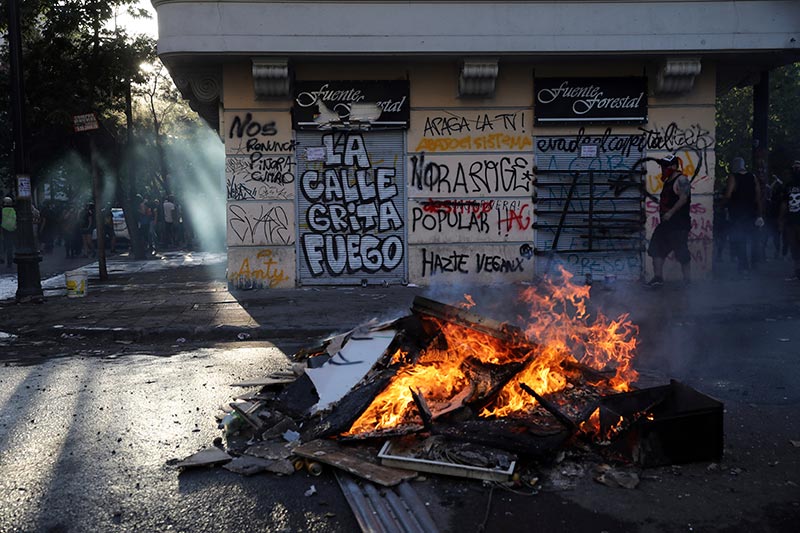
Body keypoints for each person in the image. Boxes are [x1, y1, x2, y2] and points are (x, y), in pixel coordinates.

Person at [646, 154, 691, 287]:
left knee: (681, 252)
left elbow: (683, 198)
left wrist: (670, 212)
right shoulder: (668, 181)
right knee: (655, 248)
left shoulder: (681, 179)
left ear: (674, 166)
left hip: (679, 224)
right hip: (666, 224)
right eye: (663, 166)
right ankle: (658, 278)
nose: (664, 168)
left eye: (666, 166)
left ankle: (687, 281)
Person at [723, 157, 764, 275]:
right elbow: (758, 196)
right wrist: (759, 214)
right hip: (751, 213)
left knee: (740, 240)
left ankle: (743, 267)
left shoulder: (733, 177)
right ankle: (754, 264)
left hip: (738, 214)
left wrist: (721, 204)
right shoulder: (753, 177)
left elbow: (728, 194)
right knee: (753, 239)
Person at [779, 161, 800, 281]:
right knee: (794, 247)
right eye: (795, 168)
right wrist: (781, 219)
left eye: (798, 167)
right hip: (791, 220)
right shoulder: (788, 186)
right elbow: (784, 203)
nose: (796, 170)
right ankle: (797, 271)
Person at [1, 196, 17, 268]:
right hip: (12, 229)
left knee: (3, 245)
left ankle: (2, 258)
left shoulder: (2, 210)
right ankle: (10, 261)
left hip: (3, 230)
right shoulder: (14, 210)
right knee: (10, 246)